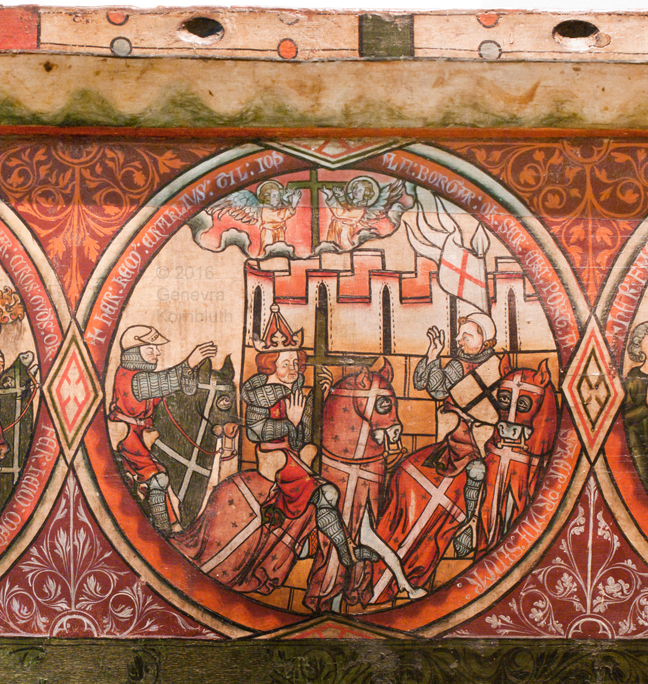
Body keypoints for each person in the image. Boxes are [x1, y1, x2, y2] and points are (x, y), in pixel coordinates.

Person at [243, 304, 376, 569]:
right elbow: (254, 430)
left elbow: (303, 435)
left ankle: (345, 551)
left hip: (292, 454)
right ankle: (346, 552)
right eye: (285, 364)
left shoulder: (295, 391)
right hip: (272, 456)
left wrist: (318, 398)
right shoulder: (258, 396)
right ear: (270, 366)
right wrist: (289, 424)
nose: (293, 369)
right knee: (326, 492)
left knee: (327, 492)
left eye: (295, 363)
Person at [109, 325, 217, 536]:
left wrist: (191, 373)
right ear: (134, 353)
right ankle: (162, 530)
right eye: (150, 349)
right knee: (157, 478)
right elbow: (163, 382)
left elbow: (179, 390)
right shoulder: (133, 378)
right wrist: (189, 362)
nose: (157, 352)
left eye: (156, 349)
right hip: (129, 436)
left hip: (144, 434)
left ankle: (172, 524)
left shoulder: (142, 376)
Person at [413, 312, 498, 555]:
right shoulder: (457, 364)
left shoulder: (497, 366)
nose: (459, 340)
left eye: (466, 336)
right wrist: (432, 356)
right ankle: (468, 524)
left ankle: (473, 523)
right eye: (460, 335)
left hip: (490, 434)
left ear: (483, 340)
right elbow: (435, 390)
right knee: (476, 468)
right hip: (461, 435)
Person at [624, 322, 648, 491]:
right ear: (640, 346)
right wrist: (645, 406)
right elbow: (625, 416)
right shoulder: (634, 376)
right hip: (640, 441)